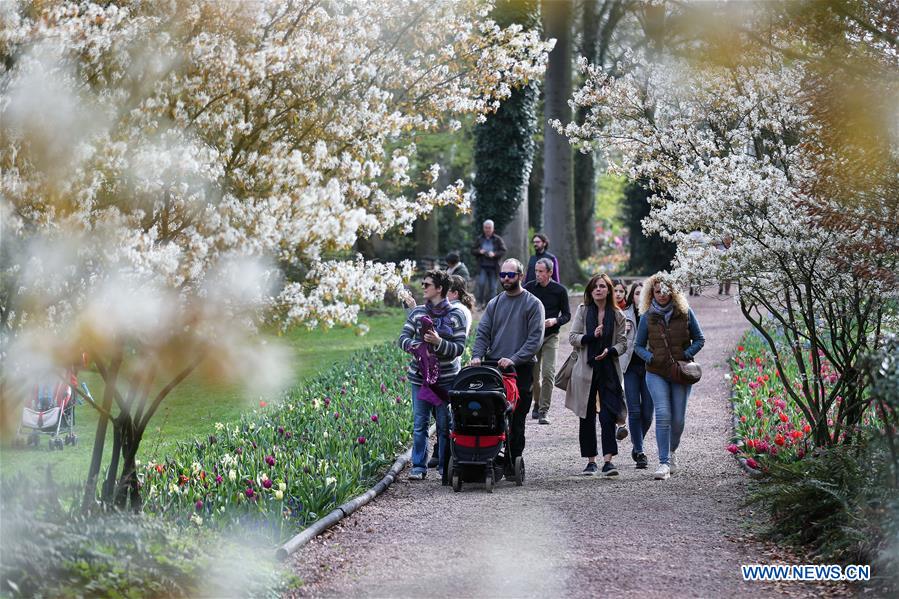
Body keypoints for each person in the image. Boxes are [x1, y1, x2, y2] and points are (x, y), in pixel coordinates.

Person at [471, 258, 544, 475]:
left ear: (521, 276)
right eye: (502, 275)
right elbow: (483, 332)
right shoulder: (494, 304)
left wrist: (514, 358)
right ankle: (489, 457)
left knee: (517, 417)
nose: (505, 279)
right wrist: (477, 355)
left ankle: (513, 461)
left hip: (521, 368)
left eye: (510, 275)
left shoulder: (533, 304)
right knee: (490, 415)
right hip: (494, 367)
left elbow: (535, 340)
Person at [633, 273, 705, 480]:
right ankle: (663, 462)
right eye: (657, 291)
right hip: (656, 372)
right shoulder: (647, 316)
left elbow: (699, 339)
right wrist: (650, 358)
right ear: (651, 293)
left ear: (673, 292)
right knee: (663, 414)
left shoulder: (685, 312)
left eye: (665, 291)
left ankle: (672, 452)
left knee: (678, 419)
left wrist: (686, 354)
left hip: (680, 372)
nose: (662, 295)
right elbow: (638, 346)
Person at [398, 270, 468, 481]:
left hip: (446, 380)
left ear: (439, 288)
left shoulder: (456, 315)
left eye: (427, 284)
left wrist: (438, 342)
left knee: (445, 425)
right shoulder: (418, 313)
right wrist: (418, 347)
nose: (423, 287)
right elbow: (402, 338)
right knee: (420, 424)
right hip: (420, 379)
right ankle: (418, 467)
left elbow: (459, 348)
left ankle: (445, 468)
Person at [565, 274, 628, 476]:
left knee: (608, 416)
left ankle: (608, 461)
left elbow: (623, 343)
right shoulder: (583, 311)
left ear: (609, 290)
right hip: (586, 370)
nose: (598, 289)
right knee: (587, 415)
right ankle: (590, 461)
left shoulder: (617, 314)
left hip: (608, 370)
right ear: (590, 291)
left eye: (602, 286)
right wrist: (592, 336)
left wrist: (610, 351)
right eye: (594, 287)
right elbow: (572, 337)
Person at [523, 258, 570, 424]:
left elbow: (567, 315)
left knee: (548, 374)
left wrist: (555, 321)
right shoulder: (528, 288)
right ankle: (536, 404)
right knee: (534, 376)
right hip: (533, 338)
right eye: (536, 271)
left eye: (541, 271)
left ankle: (544, 411)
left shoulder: (560, 290)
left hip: (551, 336)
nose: (537, 274)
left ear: (550, 273)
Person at [622, 280, 653, 469]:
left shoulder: (653, 314)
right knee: (634, 411)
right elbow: (615, 340)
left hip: (651, 368)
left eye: (642, 293)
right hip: (630, 367)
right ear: (631, 296)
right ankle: (640, 451)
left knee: (648, 413)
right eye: (636, 293)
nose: (639, 297)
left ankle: (636, 443)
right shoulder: (623, 315)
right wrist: (622, 332)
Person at [471, 219, 507, 309]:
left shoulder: (497, 239)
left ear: (493, 228)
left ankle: (492, 306)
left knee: (493, 287)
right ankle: (480, 303)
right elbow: (472, 250)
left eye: (489, 228)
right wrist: (479, 251)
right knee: (481, 284)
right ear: (483, 228)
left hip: (494, 267)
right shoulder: (479, 239)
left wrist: (494, 254)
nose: (487, 229)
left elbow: (503, 250)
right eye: (486, 228)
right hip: (482, 266)